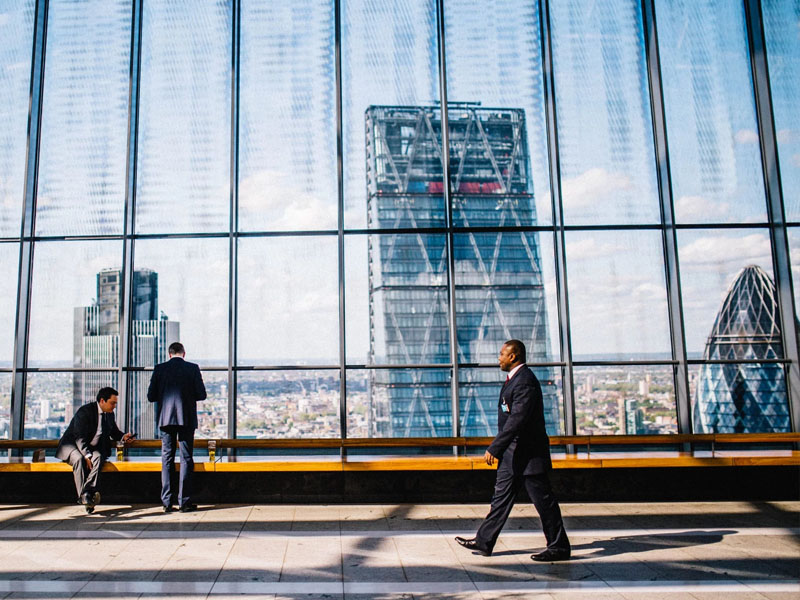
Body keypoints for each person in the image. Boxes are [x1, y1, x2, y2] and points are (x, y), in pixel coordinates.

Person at [455, 339, 571, 561]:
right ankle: (484, 541)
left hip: (528, 456)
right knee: (500, 499)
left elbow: (517, 420)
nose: (498, 358)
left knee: (544, 503)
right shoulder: (514, 380)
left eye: (501, 354)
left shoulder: (524, 382)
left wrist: (495, 447)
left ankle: (559, 547)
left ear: (513, 356)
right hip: (513, 455)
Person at [147, 341, 206, 513]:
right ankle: (184, 502)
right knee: (186, 458)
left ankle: (166, 502)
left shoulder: (159, 369)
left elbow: (151, 396)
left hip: (166, 420)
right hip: (186, 418)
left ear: (169, 354)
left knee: (167, 458)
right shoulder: (193, 368)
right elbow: (201, 395)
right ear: (184, 353)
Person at [56, 387, 135, 514]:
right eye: (112, 403)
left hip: (91, 448)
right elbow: (79, 436)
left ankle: (86, 494)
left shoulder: (109, 414)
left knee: (98, 457)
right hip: (72, 446)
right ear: (102, 401)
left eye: (115, 403)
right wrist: (87, 455)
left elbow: (113, 431)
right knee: (79, 459)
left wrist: (123, 436)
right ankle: (87, 497)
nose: (114, 406)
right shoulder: (85, 412)